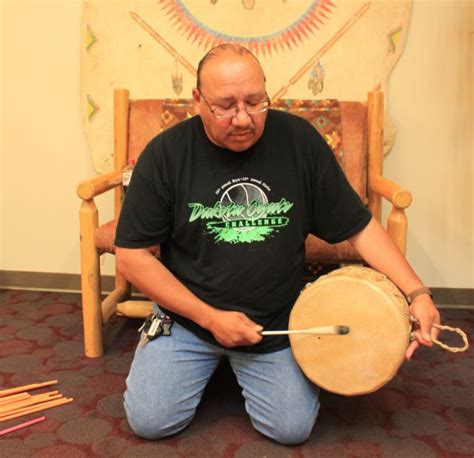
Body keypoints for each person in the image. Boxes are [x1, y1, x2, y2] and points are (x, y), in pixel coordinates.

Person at [115, 44, 440, 444]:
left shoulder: (299, 140)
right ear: (197, 100)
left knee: (291, 430)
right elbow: (131, 257)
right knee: (150, 422)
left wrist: (417, 292)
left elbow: (359, 227)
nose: (243, 119)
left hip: (277, 320)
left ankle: (237, 369)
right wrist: (210, 319)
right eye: (225, 106)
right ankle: (196, 357)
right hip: (189, 322)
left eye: (256, 102)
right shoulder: (165, 154)